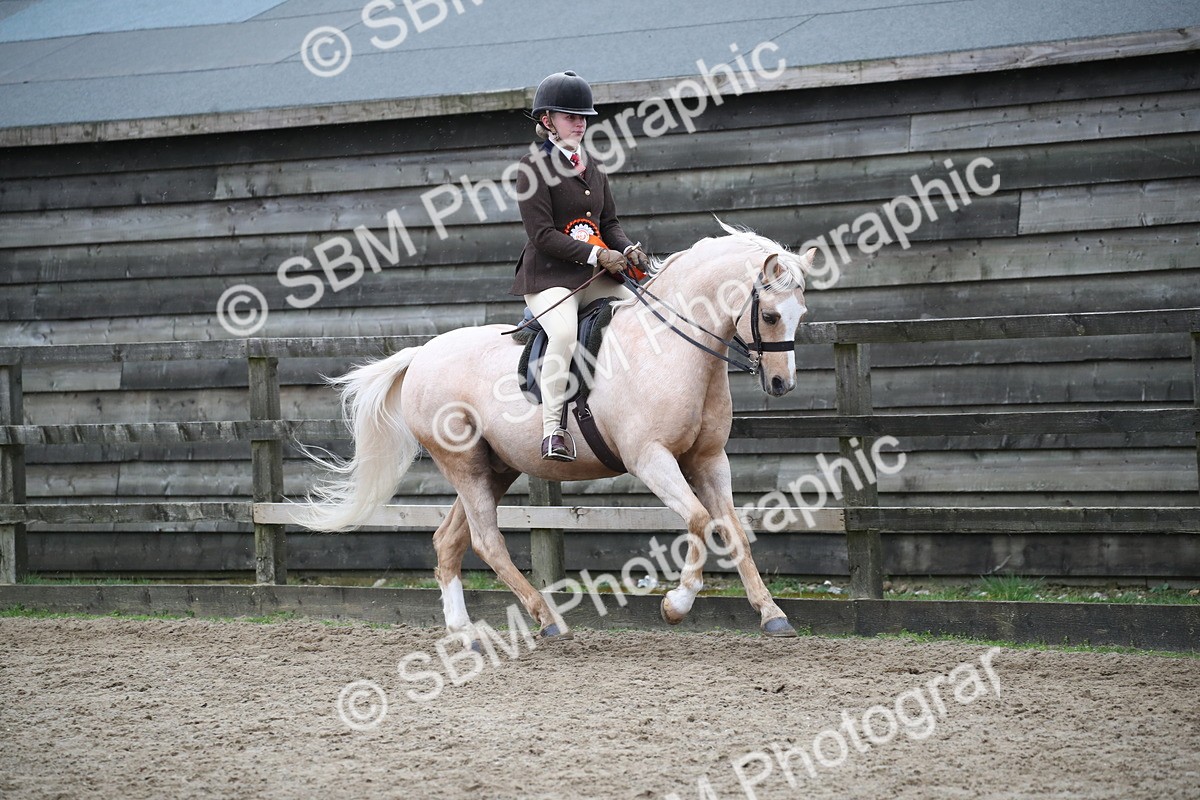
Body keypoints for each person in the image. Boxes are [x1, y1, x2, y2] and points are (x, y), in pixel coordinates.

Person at [510, 70, 651, 462]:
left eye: (583, 116)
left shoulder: (593, 165)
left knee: (644, 311)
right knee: (564, 333)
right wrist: (597, 255)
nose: (580, 122)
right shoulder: (531, 168)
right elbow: (542, 235)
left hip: (594, 276)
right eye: (570, 115)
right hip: (549, 278)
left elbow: (609, 224)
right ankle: (552, 430)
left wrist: (628, 249)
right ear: (547, 121)